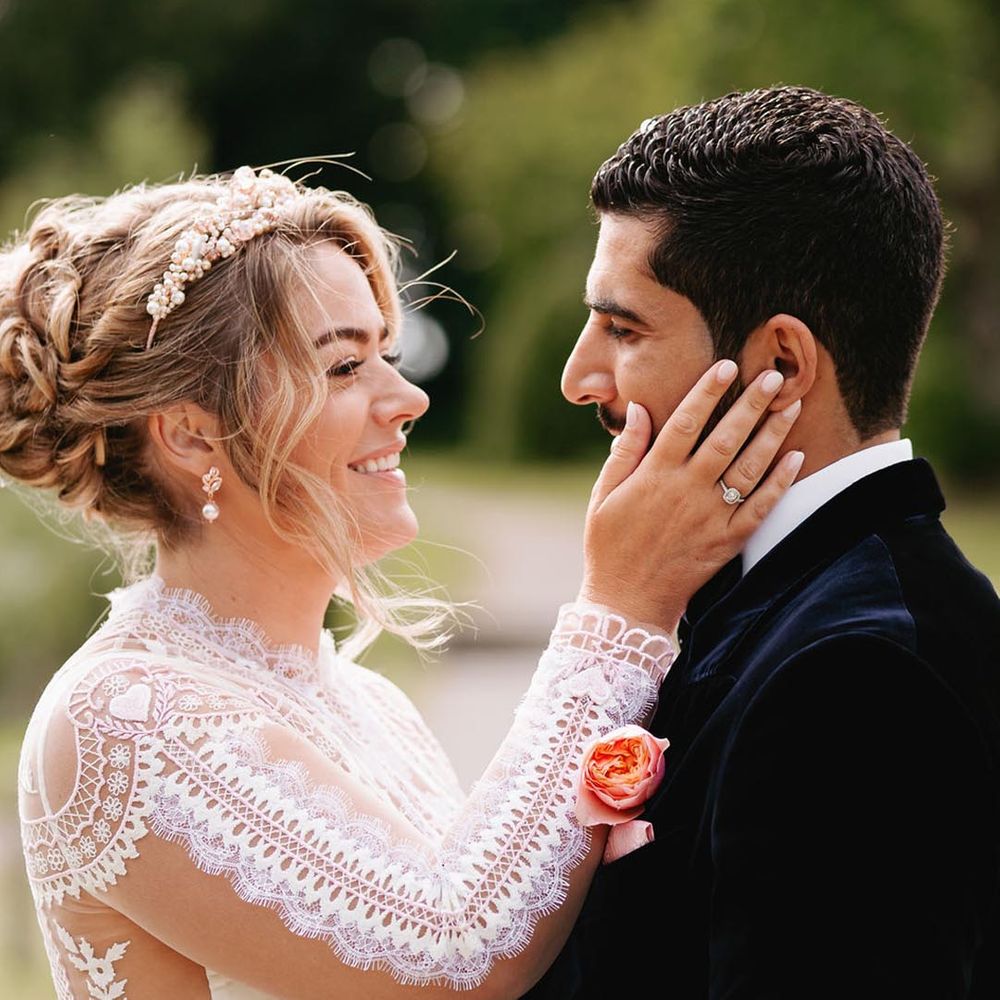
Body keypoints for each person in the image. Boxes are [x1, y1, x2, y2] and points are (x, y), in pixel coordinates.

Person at [1, 166, 803, 998]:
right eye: (345, 367)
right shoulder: (121, 720)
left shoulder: (372, 706)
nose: (410, 397)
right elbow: (456, 949)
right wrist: (622, 604)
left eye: (387, 354)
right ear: (191, 436)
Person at [525, 86, 1000, 999]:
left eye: (624, 328)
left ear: (781, 363)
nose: (579, 378)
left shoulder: (862, 672)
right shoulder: (758, 590)